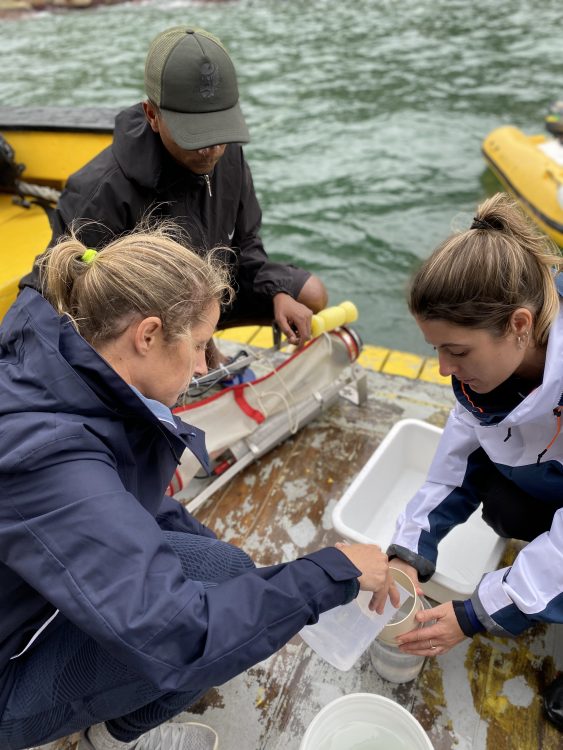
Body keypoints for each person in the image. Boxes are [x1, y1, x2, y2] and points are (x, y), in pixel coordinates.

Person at [0, 224, 396, 750]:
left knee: (227, 571)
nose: (206, 366)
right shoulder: (51, 455)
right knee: (207, 638)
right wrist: (332, 572)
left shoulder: (55, 368)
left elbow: (123, 504)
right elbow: (181, 639)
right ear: (146, 335)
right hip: (9, 672)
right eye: (201, 346)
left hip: (24, 599)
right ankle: (117, 739)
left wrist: (239, 569)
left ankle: (112, 726)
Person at [18, 25, 328, 366]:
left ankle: (200, 346)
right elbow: (56, 289)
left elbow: (247, 244)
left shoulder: (230, 156)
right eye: (195, 135)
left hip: (208, 295)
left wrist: (277, 291)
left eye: (220, 131)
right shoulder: (101, 189)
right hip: (141, 315)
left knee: (311, 293)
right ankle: (185, 355)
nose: (211, 150)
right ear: (152, 115)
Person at [385, 192, 563, 731]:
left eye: (457, 352)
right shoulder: (486, 377)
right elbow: (457, 458)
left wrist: (476, 611)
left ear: (519, 324)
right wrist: (409, 553)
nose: (443, 370)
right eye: (436, 350)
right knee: (506, 506)